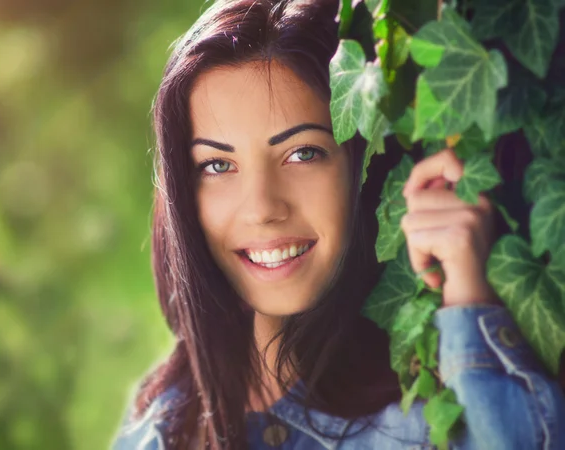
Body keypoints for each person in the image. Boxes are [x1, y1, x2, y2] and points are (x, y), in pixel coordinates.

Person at [111, 0, 565, 448]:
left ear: (363, 166)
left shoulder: (433, 410)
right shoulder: (156, 428)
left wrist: (469, 300)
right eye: (216, 165)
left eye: (303, 153)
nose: (262, 208)